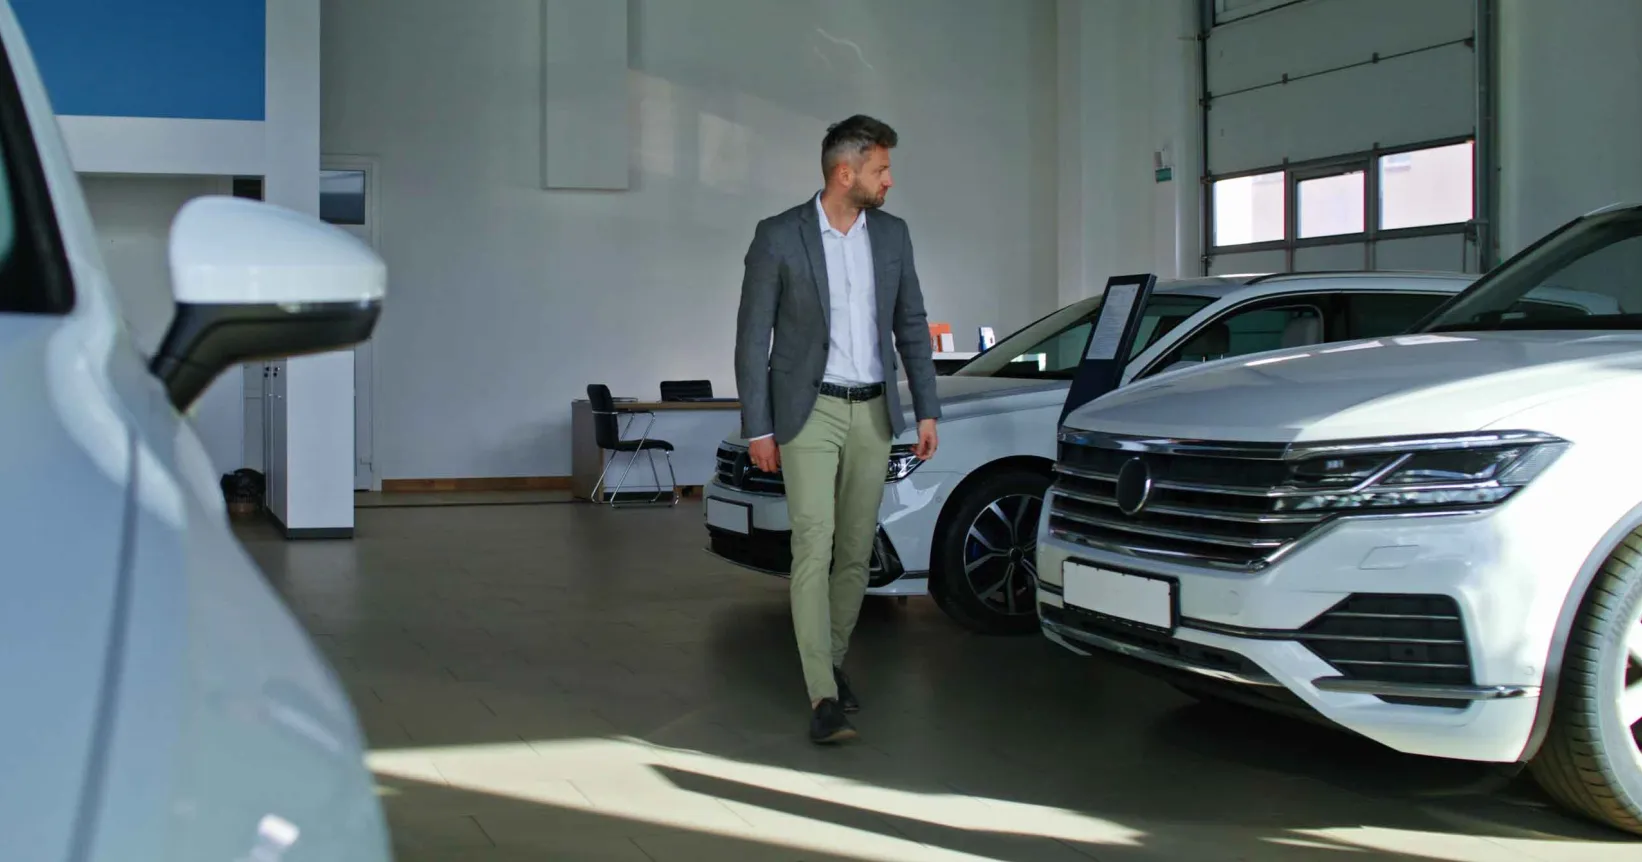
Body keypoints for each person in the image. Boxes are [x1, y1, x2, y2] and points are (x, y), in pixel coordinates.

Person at [733, 114, 942, 744]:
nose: (889, 180)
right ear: (845, 173)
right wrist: (758, 428)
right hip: (809, 411)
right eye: (881, 169)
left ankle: (832, 660)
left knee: (855, 549)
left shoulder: (893, 235)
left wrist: (926, 409)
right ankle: (822, 694)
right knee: (813, 542)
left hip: (874, 411)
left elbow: (912, 324)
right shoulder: (779, 236)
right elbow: (752, 339)